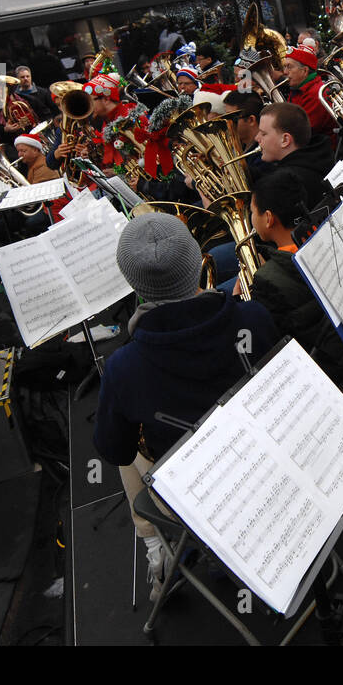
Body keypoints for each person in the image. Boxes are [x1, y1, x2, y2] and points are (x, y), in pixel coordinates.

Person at [93, 213, 279, 597]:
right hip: (268, 465)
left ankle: (158, 552)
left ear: (133, 284)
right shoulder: (254, 317)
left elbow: (114, 449)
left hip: (199, 494)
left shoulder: (123, 367)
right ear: (198, 261)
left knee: (130, 453)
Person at [247, 170, 343, 383]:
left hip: (316, 367)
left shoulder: (265, 281)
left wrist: (241, 300)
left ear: (268, 219)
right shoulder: (327, 237)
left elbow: (269, 338)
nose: (250, 218)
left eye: (252, 212)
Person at [255, 102, 333, 206]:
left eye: (264, 134)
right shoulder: (319, 157)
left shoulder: (284, 183)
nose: (257, 138)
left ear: (285, 140)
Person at [282, 44, 335, 139]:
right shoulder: (298, 87)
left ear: (305, 71)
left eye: (289, 67)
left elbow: (302, 133)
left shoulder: (316, 93)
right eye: (284, 67)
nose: (285, 72)